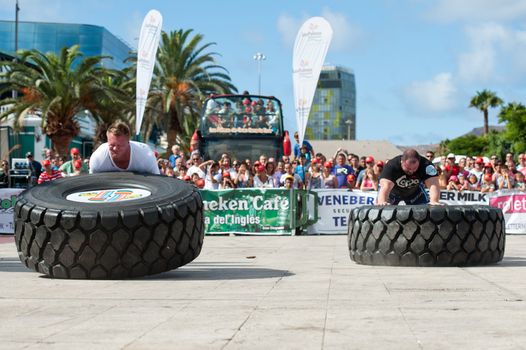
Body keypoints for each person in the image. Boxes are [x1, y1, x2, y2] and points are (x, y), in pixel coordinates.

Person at [89, 120, 159, 174]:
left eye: (120, 145)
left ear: (128, 142)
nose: (115, 148)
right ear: (107, 140)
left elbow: (158, 181)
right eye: (112, 145)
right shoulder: (98, 159)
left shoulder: (145, 155)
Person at [377, 149, 441, 205]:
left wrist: (434, 201)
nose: (411, 171)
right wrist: (382, 202)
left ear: (419, 162)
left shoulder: (426, 165)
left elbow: (434, 184)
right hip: (392, 193)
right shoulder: (391, 166)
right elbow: (385, 186)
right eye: (408, 168)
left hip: (415, 193)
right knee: (383, 207)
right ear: (402, 162)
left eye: (415, 168)